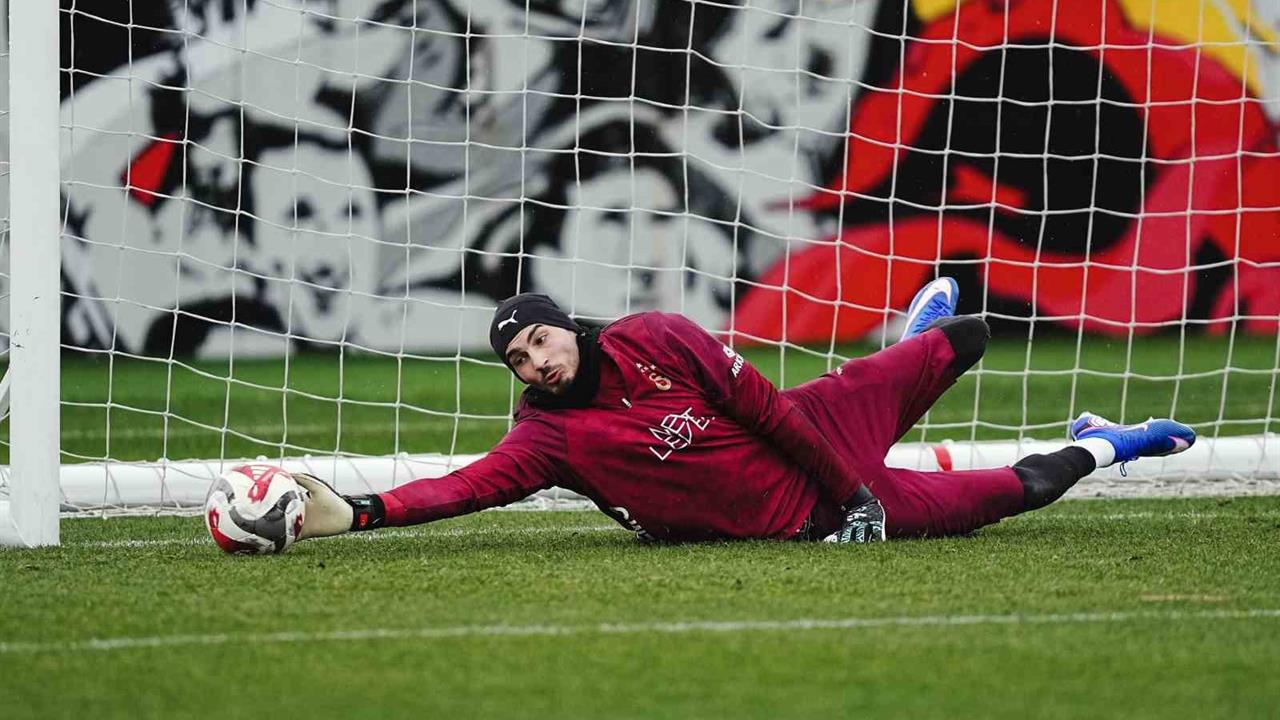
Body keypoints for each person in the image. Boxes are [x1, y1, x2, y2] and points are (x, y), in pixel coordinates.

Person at [292, 278, 1197, 545]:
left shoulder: (658, 336)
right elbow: (467, 486)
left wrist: (856, 493)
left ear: (566, 325)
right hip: (807, 516)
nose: (537, 362)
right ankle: (1107, 446)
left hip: (816, 435)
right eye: (519, 360)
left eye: (540, 340)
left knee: (970, 335)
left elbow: (766, 409)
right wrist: (360, 512)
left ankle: (906, 351)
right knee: (1009, 495)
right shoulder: (548, 436)